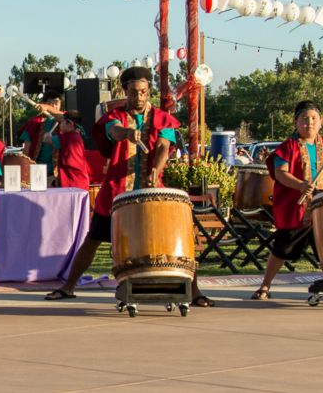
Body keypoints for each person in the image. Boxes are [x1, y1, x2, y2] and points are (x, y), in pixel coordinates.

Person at [46, 67, 212, 306]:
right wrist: (126, 133)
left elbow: (165, 145)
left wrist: (156, 167)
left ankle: (194, 291)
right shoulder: (114, 118)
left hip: (152, 192)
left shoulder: (162, 118)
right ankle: (68, 286)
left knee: (178, 238)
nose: (139, 97)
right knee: (93, 238)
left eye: (143, 92)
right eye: (134, 92)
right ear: (125, 91)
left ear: (149, 91)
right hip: (116, 192)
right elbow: (111, 131)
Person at [252, 101, 323, 300]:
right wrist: (300, 185)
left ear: (321, 122)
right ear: (296, 122)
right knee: (283, 246)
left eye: (314, 119)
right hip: (296, 205)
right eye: (304, 119)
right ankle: (265, 285)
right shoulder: (287, 148)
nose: (309, 123)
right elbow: (280, 174)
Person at [18, 93, 64, 168]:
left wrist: (48, 107)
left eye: (56, 103)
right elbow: (26, 149)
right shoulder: (33, 122)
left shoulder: (66, 121)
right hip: (37, 168)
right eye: (50, 103)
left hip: (60, 169)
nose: (54, 106)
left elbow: (65, 117)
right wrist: (25, 167)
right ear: (44, 104)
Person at [52, 110, 92, 189]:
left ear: (70, 124)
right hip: (78, 181)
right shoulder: (75, 136)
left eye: (62, 122)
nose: (60, 124)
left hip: (73, 182)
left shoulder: (69, 138)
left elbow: (47, 139)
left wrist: (47, 135)